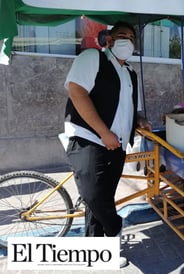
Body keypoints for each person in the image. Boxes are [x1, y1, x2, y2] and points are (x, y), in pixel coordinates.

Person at [64, 21, 151, 267]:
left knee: (102, 197)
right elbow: (77, 92)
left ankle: (97, 251)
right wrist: (103, 132)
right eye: (121, 35)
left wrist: (139, 121)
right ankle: (115, 230)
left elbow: (130, 108)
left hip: (118, 146)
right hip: (89, 139)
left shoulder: (130, 73)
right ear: (109, 40)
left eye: (131, 37)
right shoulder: (93, 58)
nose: (127, 40)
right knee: (94, 195)